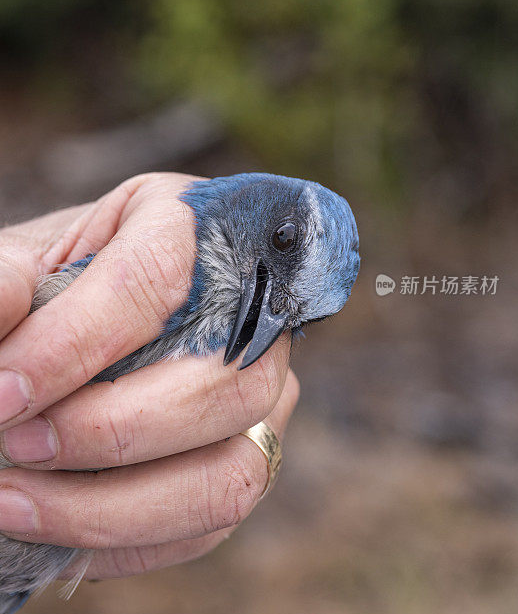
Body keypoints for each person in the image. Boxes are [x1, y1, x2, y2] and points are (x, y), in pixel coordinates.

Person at [0, 172, 299, 580]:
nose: (270, 312)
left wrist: (249, 441)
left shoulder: (237, 358)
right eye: (284, 240)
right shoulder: (81, 258)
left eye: (297, 318)